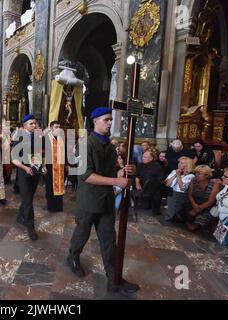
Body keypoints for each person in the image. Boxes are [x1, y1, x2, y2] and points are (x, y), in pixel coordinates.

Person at [67, 107, 139, 294]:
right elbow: (87, 175)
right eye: (106, 119)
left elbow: (111, 171)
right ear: (95, 121)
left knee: (108, 239)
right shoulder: (85, 144)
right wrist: (117, 181)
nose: (110, 122)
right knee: (82, 233)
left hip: (106, 199)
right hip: (89, 199)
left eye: (110, 119)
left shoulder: (109, 146)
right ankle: (73, 256)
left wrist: (122, 172)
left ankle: (113, 278)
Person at [12, 114, 46, 241]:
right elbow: (14, 159)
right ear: (24, 125)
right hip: (24, 172)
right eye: (31, 123)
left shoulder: (38, 136)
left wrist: (42, 166)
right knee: (28, 201)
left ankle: (20, 216)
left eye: (35, 123)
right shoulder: (18, 137)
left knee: (29, 198)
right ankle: (30, 227)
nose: (34, 125)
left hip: (35, 172)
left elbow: (39, 153)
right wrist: (26, 168)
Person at [185, 165, 221, 231]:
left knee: (193, 227)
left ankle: (204, 224)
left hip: (207, 206)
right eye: (196, 173)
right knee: (184, 214)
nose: (197, 175)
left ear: (207, 175)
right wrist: (195, 206)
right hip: (195, 203)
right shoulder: (193, 180)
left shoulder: (214, 184)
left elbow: (211, 201)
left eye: (200, 174)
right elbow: (190, 195)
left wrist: (198, 209)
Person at [43, 121, 67, 212]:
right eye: (56, 127)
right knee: (50, 186)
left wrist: (67, 164)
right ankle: (51, 206)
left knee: (60, 186)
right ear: (51, 128)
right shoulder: (46, 138)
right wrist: (43, 166)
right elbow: (42, 152)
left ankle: (58, 206)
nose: (58, 129)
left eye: (59, 127)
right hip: (49, 166)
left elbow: (64, 152)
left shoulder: (61, 138)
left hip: (60, 167)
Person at [164, 156, 195, 222]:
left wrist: (178, 176)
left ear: (187, 165)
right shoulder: (174, 171)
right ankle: (169, 218)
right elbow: (167, 184)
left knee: (177, 210)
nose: (179, 164)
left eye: (182, 163)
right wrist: (175, 174)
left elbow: (183, 188)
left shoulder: (190, 176)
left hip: (180, 195)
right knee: (170, 208)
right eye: (179, 163)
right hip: (171, 192)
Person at [134, 150, 164, 215]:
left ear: (151, 158)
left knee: (157, 192)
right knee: (145, 207)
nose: (143, 158)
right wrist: (137, 183)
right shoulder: (140, 165)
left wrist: (149, 185)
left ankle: (155, 209)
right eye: (143, 156)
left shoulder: (157, 165)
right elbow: (137, 175)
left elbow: (160, 179)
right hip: (142, 186)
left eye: (145, 157)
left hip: (153, 187)